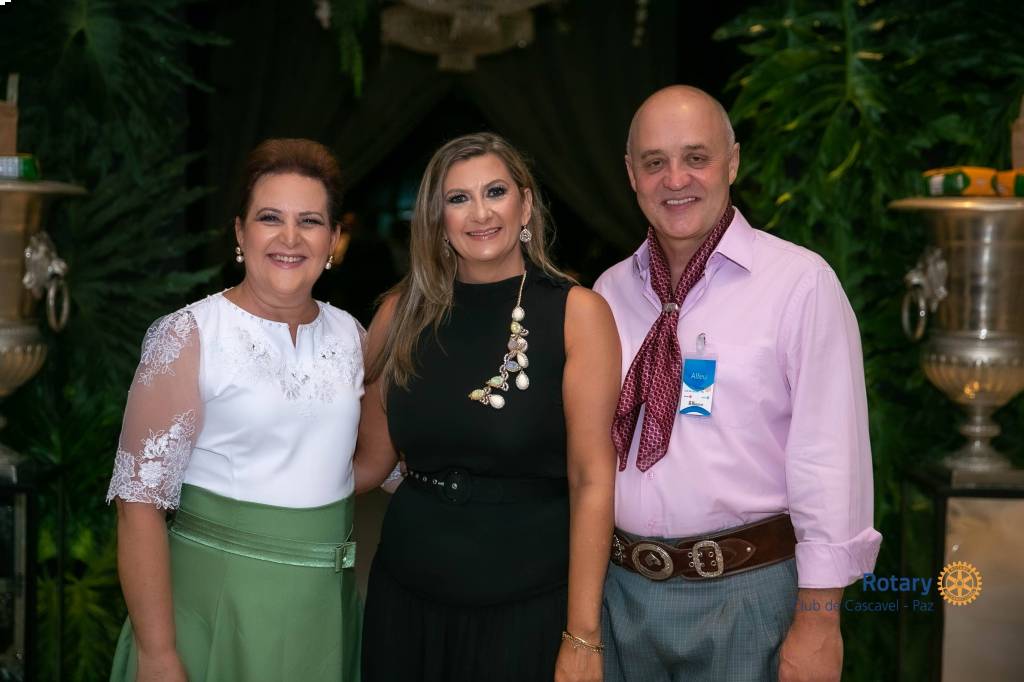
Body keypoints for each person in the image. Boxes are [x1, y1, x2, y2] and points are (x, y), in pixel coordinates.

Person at [594, 85, 882, 682]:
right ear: (631, 174)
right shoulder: (607, 293)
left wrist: (820, 622)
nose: (676, 179)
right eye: (655, 162)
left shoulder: (800, 285)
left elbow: (830, 461)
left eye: (696, 157)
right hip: (619, 596)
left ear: (732, 162)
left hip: (749, 597)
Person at [354, 132, 620, 682]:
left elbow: (593, 480)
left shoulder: (577, 314)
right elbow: (369, 464)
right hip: (405, 601)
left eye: (495, 191)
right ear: (438, 219)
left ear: (525, 204)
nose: (480, 213)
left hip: (528, 607)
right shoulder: (398, 315)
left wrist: (583, 635)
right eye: (458, 198)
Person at [106, 139, 364, 681]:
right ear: (240, 233)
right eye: (270, 218)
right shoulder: (189, 335)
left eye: (310, 221)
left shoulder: (351, 334)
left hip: (321, 612)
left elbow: (359, 463)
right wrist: (158, 653)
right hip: (213, 609)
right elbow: (138, 506)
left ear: (333, 240)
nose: (290, 238)